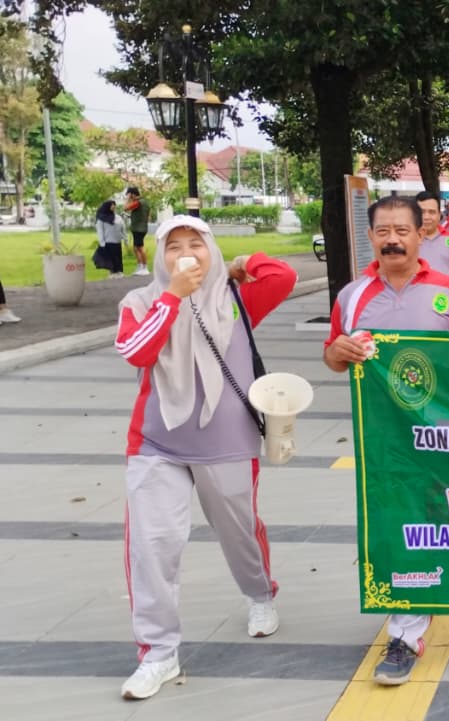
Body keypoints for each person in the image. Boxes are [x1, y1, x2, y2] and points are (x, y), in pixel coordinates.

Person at [114, 215, 298, 700]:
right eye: (174, 246)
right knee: (152, 547)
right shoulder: (140, 302)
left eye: (197, 243)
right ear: (160, 255)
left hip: (227, 441)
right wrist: (172, 295)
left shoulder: (235, 299)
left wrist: (241, 264)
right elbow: (137, 351)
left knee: (239, 530)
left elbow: (283, 277)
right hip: (156, 443)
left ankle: (260, 596)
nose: (186, 253)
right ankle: (158, 652)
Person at [323, 196, 449, 687]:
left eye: (402, 230)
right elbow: (332, 357)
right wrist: (337, 351)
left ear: (420, 235)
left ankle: (442, 596)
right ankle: (406, 633)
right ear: (372, 236)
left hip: (442, 438)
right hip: (384, 439)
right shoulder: (352, 297)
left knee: (448, 524)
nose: (393, 239)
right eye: (383, 231)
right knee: (399, 526)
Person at [96, 200, 127, 278]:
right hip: (108, 242)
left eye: (114, 205)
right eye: (112, 205)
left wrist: (125, 239)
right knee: (111, 259)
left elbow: (123, 228)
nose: (114, 206)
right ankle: (112, 273)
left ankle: (119, 272)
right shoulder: (101, 219)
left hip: (117, 241)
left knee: (118, 257)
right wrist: (102, 243)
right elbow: (100, 231)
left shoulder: (118, 217)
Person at [124, 186, 150, 276]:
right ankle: (140, 266)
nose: (129, 198)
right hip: (141, 227)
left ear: (132, 194)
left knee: (140, 247)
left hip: (139, 228)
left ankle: (145, 267)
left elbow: (126, 208)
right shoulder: (145, 202)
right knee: (136, 248)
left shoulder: (138, 203)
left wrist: (127, 200)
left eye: (129, 195)